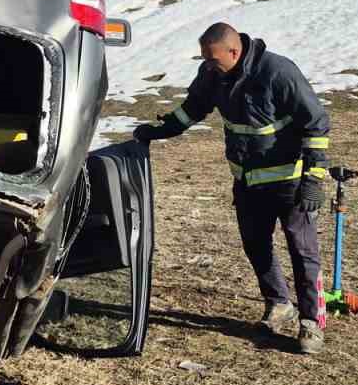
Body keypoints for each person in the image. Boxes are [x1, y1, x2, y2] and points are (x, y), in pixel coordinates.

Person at [133, 23, 331, 355]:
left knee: (302, 250)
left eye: (211, 59)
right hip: (247, 182)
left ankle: (311, 322)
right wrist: (163, 129)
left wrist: (313, 179)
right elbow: (194, 107)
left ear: (234, 52)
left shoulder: (278, 72)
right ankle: (279, 303)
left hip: (289, 182)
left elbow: (316, 123)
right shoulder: (213, 74)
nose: (207, 65)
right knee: (256, 245)